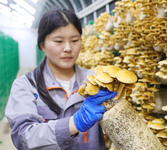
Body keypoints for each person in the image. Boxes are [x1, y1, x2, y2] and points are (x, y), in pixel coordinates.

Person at [5, 8, 117, 150]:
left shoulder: (96, 81)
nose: (68, 48)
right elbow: (23, 138)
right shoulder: (26, 85)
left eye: (75, 40)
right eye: (59, 41)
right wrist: (75, 123)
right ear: (42, 45)